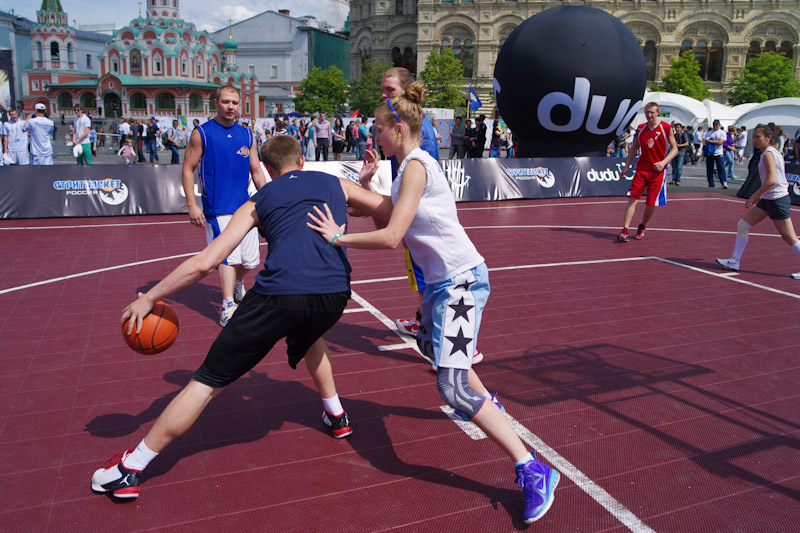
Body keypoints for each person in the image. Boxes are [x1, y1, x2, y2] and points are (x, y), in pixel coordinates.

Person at [306, 84, 560, 525]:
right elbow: (390, 215)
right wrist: (364, 188)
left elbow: (390, 237)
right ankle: (490, 406)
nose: (373, 139)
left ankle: (531, 467)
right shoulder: (406, 167)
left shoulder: (418, 166)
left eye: (378, 131)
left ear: (398, 128)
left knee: (451, 389)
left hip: (460, 283)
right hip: (445, 286)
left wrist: (337, 237)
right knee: (437, 352)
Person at [92, 134, 385, 500]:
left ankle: (130, 469)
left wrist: (150, 296)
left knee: (206, 381)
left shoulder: (259, 200)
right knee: (310, 335)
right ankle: (337, 415)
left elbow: (206, 262)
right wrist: (366, 186)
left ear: (266, 169)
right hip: (335, 295)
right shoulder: (337, 184)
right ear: (303, 161)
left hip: (280, 294)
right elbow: (388, 212)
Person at [181, 84, 267, 326]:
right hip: (217, 208)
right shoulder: (202, 133)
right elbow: (188, 169)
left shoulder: (247, 135)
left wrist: (269, 196)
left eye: (235, 103)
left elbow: (257, 170)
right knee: (227, 257)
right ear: (216, 103)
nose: (231, 107)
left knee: (250, 261)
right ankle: (228, 304)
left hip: (245, 207)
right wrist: (192, 205)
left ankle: (238, 284)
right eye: (226, 102)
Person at [716, 124, 800, 279]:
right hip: (769, 199)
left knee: (789, 237)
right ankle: (735, 260)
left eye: (758, 137)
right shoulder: (771, 152)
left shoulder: (768, 154)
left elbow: (771, 180)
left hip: (777, 200)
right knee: (743, 225)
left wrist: (754, 195)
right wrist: (761, 196)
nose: (755, 140)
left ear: (768, 138)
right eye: (753, 136)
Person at [616, 102, 678, 242]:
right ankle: (624, 230)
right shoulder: (641, 128)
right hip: (641, 170)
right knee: (633, 198)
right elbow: (633, 148)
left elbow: (675, 149)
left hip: (657, 172)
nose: (649, 115)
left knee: (650, 203)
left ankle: (642, 226)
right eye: (647, 112)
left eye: (652, 112)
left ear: (657, 113)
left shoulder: (666, 128)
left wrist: (663, 162)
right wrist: (626, 167)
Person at [704, 119, 728, 188]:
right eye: (714, 125)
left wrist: (711, 141)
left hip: (718, 153)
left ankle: (724, 182)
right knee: (709, 169)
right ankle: (711, 183)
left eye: (717, 125)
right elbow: (706, 142)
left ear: (719, 125)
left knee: (721, 168)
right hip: (710, 152)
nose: (715, 126)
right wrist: (715, 142)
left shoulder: (722, 132)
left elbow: (720, 142)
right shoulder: (709, 133)